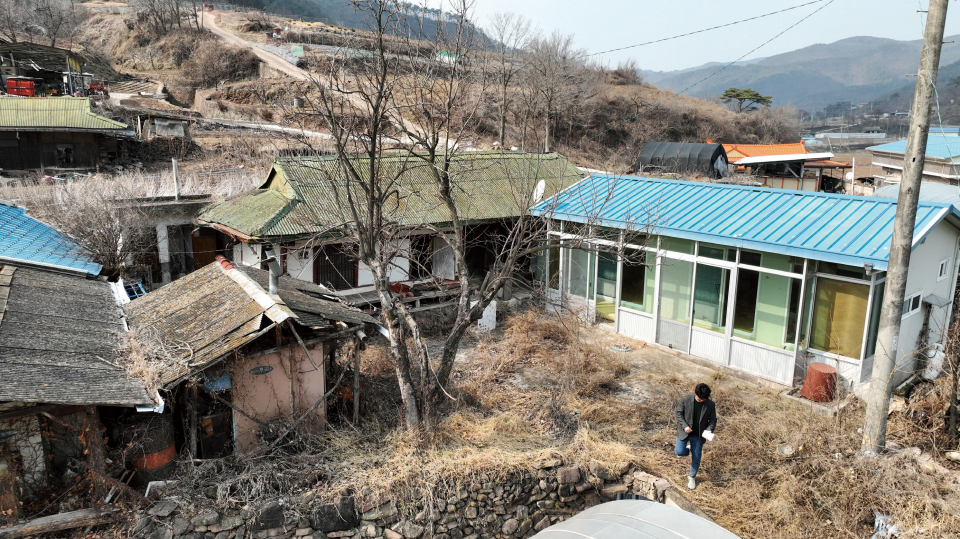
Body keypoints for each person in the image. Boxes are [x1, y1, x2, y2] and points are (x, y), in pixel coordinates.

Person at [674, 383, 717, 490]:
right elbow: (678, 413)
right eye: (700, 398)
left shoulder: (710, 404)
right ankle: (688, 449)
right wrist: (685, 426)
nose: (702, 400)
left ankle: (692, 477)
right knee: (679, 452)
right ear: (695, 393)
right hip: (684, 431)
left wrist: (709, 429)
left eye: (704, 399)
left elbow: (713, 420)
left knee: (696, 457)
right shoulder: (685, 399)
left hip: (698, 435)